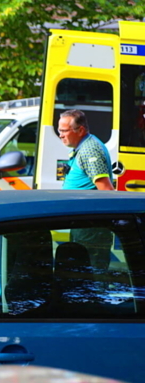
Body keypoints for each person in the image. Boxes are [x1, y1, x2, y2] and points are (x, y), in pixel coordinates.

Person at [58, 108, 115, 270]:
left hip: (91, 229)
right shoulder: (84, 147)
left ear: (80, 130)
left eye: (64, 130)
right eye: (59, 130)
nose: (60, 135)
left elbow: (106, 191)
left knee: (93, 277)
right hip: (84, 225)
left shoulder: (90, 150)